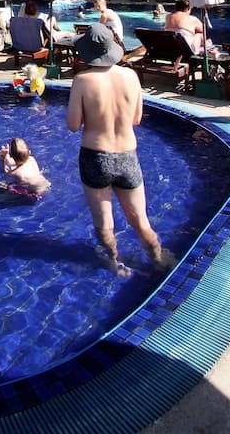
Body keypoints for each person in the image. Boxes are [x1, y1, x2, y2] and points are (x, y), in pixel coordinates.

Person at [67, 24, 174, 276]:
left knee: (104, 223)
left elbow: (73, 125)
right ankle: (158, 259)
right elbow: (136, 119)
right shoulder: (131, 76)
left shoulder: (82, 80)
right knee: (140, 220)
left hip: (95, 156)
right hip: (127, 155)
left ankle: (115, 263)